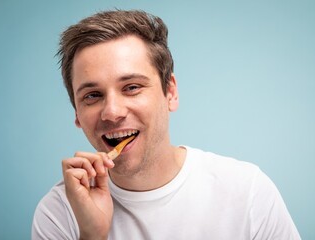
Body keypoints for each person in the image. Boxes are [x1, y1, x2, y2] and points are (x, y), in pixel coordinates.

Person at [32, 10, 301, 240]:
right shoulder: (59, 212)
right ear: (77, 113)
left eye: (132, 87)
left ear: (170, 92)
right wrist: (92, 236)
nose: (112, 112)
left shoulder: (249, 193)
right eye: (92, 96)